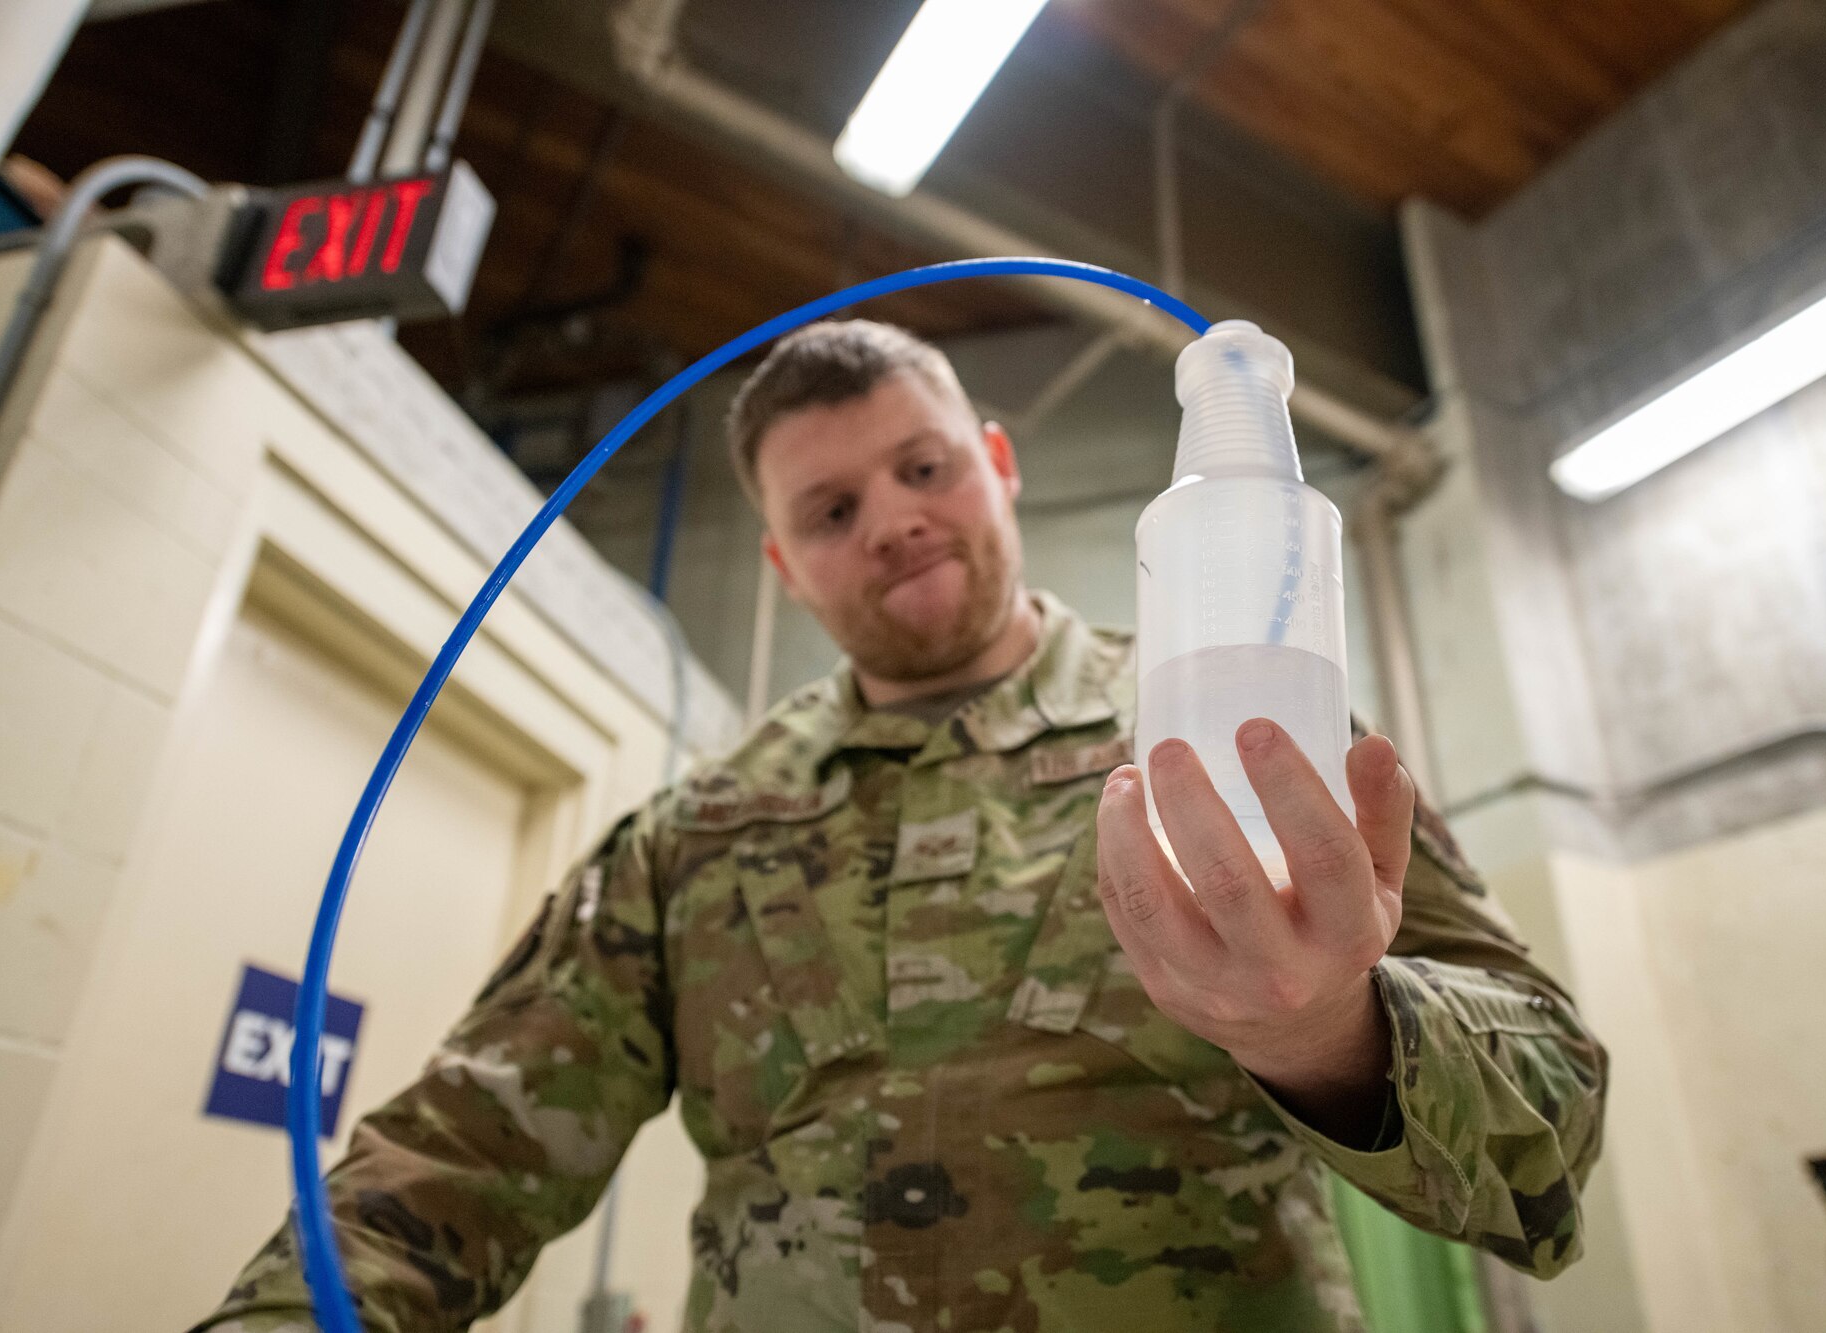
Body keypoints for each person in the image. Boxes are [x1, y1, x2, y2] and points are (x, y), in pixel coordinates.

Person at [195, 320, 1607, 1333]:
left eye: (925, 469)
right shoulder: (694, 836)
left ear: (998, 463)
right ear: (784, 566)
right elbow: (457, 1155)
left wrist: (1334, 1036)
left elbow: (1554, 1143)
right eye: (831, 507)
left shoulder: (1252, 733)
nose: (893, 521)